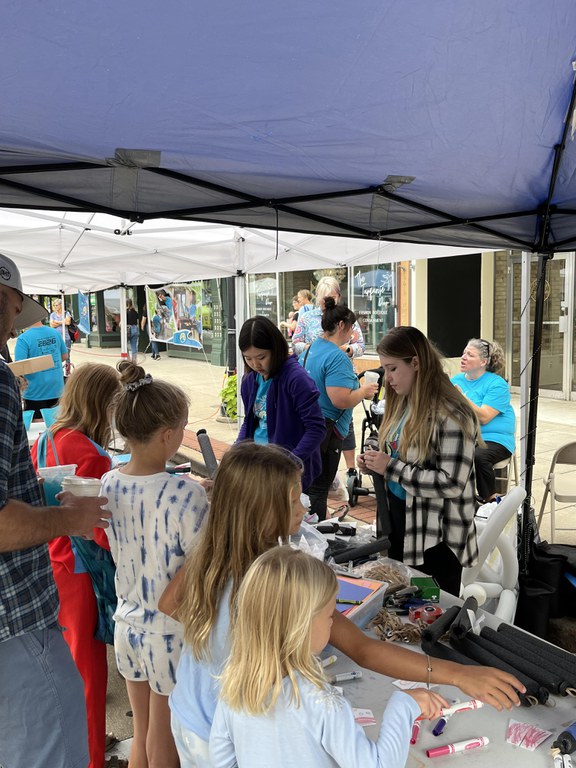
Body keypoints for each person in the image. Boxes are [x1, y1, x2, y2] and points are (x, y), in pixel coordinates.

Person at [160, 442, 523, 768]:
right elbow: (363, 648)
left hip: (194, 715)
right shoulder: (279, 581)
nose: (304, 507)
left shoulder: (212, 554)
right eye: (293, 499)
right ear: (262, 509)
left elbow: (168, 605)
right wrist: (457, 674)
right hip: (227, 729)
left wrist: (218, 640)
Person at [0, 253, 111, 768]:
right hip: (20, 612)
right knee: (54, 733)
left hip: (45, 586)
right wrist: (73, 517)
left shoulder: (56, 435)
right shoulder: (1, 382)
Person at [210, 547, 447, 768]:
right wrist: (403, 706)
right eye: (328, 616)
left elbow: (222, 761)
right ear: (301, 628)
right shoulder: (320, 703)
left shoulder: (233, 685)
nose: (333, 622)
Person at [102, 361, 209, 768]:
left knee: (142, 732)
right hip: (169, 632)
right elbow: (203, 562)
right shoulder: (187, 496)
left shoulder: (110, 482)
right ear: (167, 436)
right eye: (181, 427)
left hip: (127, 623)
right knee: (163, 732)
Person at [30, 362, 122, 768]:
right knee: (90, 673)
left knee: (66, 670)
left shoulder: (47, 438)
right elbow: (102, 527)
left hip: (54, 564)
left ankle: (83, 745)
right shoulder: (88, 452)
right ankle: (92, 759)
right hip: (84, 572)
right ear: (102, 404)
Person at [359, 326, 481, 597]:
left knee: (432, 611)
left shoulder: (453, 413)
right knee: (403, 609)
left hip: (437, 537)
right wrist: (373, 458)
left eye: (392, 368)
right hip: (401, 522)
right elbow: (394, 447)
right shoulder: (403, 400)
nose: (387, 378)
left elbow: (451, 483)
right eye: (384, 369)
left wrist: (389, 467)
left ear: (415, 362)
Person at [300, 299, 378, 520]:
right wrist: (364, 391)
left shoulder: (314, 347)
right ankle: (315, 534)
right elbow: (340, 400)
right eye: (352, 327)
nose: (353, 334)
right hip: (328, 432)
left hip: (309, 425)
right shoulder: (337, 356)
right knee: (319, 487)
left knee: (309, 485)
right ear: (342, 325)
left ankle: (312, 524)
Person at [237, 315, 325, 493]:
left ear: (275, 349)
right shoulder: (249, 380)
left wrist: (291, 462)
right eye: (248, 358)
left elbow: (316, 428)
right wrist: (236, 452)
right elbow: (251, 421)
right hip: (260, 467)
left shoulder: (296, 379)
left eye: (261, 357)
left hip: (289, 471)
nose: (255, 364)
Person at [293, 276, 365, 483]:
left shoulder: (346, 318)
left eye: (332, 297)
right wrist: (317, 350)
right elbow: (296, 344)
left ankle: (348, 468)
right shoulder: (307, 318)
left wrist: (349, 349)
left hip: (341, 373)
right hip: (318, 374)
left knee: (344, 422)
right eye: (325, 298)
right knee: (325, 420)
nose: (328, 302)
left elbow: (359, 344)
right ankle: (323, 472)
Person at [451, 339, 516, 502]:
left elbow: (485, 417)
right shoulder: (456, 381)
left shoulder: (497, 384)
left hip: (494, 439)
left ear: (483, 362)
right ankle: (455, 497)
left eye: (470, 355)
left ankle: (490, 501)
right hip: (465, 437)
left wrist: (462, 398)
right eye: (464, 352)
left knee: (478, 456)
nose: (463, 357)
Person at [15, 319, 68, 419]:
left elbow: (20, 366)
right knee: (57, 425)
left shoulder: (23, 338)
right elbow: (64, 356)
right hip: (57, 389)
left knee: (36, 428)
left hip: (35, 391)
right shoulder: (55, 332)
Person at [49, 296, 72, 364]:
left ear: (61, 305)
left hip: (66, 337)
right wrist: (62, 322)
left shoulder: (66, 313)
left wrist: (57, 322)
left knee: (67, 355)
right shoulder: (52, 315)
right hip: (56, 338)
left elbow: (68, 322)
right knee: (57, 355)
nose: (55, 307)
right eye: (54, 305)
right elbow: (51, 325)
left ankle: (68, 370)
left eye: (57, 305)